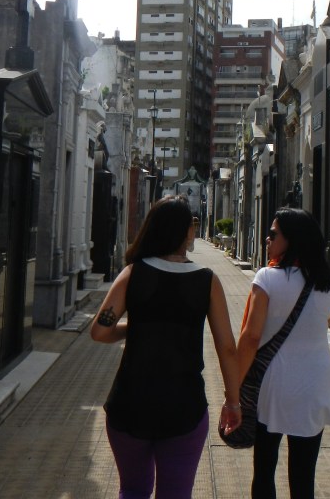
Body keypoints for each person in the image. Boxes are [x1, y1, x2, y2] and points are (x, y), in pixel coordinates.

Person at [91, 195, 242, 499]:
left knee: (132, 490)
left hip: (129, 402)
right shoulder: (207, 281)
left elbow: (100, 331)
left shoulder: (133, 273)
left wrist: (137, 327)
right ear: (187, 232)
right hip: (183, 405)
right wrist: (233, 401)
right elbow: (226, 347)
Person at [236, 208, 330, 499]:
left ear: (292, 239)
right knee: (304, 477)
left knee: (264, 470)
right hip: (316, 385)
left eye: (274, 234)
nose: (267, 240)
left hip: (274, 384)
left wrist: (233, 388)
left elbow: (250, 337)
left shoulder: (267, 278)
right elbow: (324, 323)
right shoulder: (327, 285)